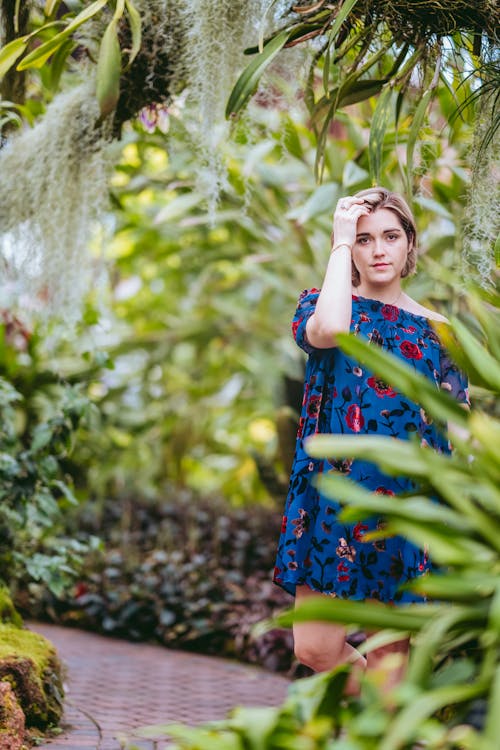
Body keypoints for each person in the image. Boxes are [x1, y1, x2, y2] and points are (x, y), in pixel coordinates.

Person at [273, 187, 469, 693]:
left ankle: (389, 726)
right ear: (351, 250)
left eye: (390, 236)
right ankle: (395, 719)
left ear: (409, 245)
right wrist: (339, 240)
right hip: (332, 502)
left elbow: (455, 430)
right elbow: (334, 328)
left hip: (402, 509)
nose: (378, 250)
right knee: (314, 648)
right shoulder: (320, 306)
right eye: (364, 240)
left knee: (389, 666)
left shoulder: (439, 331)